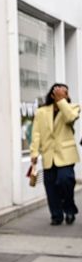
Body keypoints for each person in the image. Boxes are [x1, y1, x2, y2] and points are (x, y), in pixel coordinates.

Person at [30, 83, 80, 225]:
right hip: (48, 155)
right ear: (52, 95)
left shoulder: (73, 108)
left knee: (65, 180)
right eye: (60, 93)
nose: (65, 95)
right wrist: (34, 152)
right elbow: (36, 133)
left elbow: (70, 118)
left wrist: (61, 101)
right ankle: (56, 215)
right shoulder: (41, 112)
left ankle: (69, 208)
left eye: (66, 93)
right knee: (51, 186)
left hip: (66, 154)